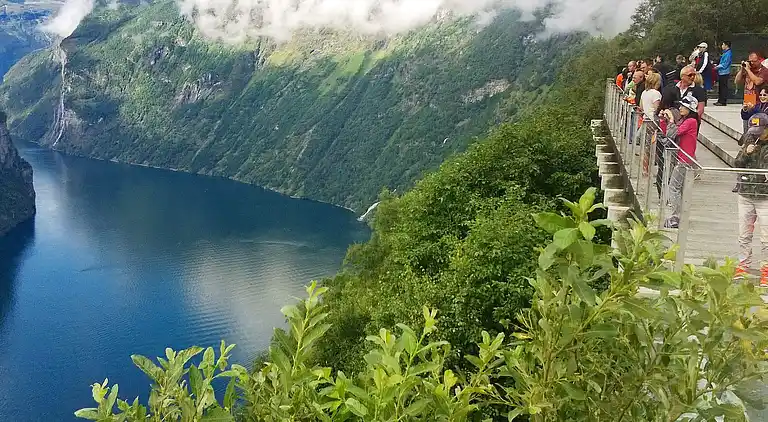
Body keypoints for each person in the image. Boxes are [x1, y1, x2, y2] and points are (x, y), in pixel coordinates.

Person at [732, 113, 768, 285]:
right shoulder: (749, 140)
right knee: (744, 234)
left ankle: (766, 269)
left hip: (765, 196)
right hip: (746, 193)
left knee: (766, 237)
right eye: (754, 131)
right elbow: (737, 163)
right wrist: (746, 153)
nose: (757, 134)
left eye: (760, 131)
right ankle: (743, 265)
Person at [663, 94, 700, 229]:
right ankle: (679, 216)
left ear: (690, 109)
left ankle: (676, 217)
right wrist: (665, 120)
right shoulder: (686, 121)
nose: (680, 108)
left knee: (673, 187)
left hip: (684, 159)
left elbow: (672, 134)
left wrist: (671, 119)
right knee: (678, 187)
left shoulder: (691, 121)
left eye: (683, 106)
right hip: (683, 158)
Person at [736, 52, 768, 132]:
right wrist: (742, 69)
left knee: (755, 129)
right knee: (746, 128)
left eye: (754, 61)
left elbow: (757, 82)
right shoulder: (747, 70)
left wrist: (748, 70)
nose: (752, 63)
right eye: (750, 61)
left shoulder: (764, 71)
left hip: (758, 105)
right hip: (748, 102)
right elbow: (737, 81)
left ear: (760, 60)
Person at [714, 41, 733, 106]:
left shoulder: (728, 53)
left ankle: (723, 101)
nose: (722, 46)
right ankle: (720, 100)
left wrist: (717, 67)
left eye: (723, 45)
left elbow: (725, 64)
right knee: (721, 87)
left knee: (723, 88)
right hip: (721, 72)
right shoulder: (725, 53)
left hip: (724, 72)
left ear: (726, 45)